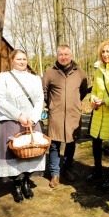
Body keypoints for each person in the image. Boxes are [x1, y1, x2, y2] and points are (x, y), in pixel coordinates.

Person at [0, 49, 46, 203]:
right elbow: (0, 99)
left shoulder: (35, 78)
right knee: (14, 152)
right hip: (11, 120)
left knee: (30, 150)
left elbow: (39, 100)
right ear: (12, 60)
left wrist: (33, 118)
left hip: (31, 121)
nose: (22, 62)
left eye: (24, 59)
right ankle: (16, 184)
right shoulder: (3, 77)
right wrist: (19, 116)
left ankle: (25, 182)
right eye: (18, 59)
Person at [42, 45, 88, 188]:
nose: (64, 57)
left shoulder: (79, 72)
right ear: (57, 55)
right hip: (56, 114)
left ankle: (67, 169)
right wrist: (53, 105)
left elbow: (84, 91)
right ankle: (55, 173)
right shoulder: (50, 72)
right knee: (55, 145)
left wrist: (73, 102)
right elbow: (43, 92)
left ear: (71, 55)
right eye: (60, 54)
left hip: (73, 114)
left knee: (71, 143)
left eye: (66, 54)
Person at [85, 41, 109, 188]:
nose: (105, 54)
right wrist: (93, 99)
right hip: (97, 114)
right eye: (103, 52)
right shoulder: (99, 69)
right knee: (95, 143)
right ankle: (97, 171)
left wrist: (105, 101)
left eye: (108, 51)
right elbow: (94, 90)